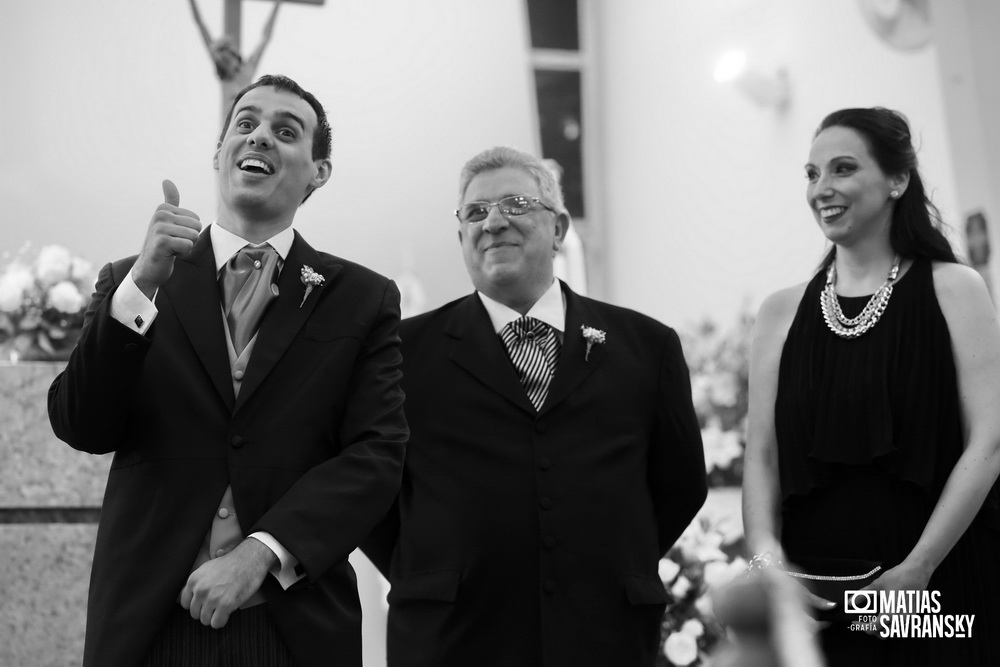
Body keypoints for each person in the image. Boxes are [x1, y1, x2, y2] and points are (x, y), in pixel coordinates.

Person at [48, 74, 407, 666]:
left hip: (293, 628)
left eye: (285, 131)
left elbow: (377, 452)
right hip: (148, 624)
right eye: (246, 123)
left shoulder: (361, 298)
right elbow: (81, 425)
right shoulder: (131, 282)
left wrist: (263, 551)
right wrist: (142, 287)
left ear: (318, 172)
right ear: (220, 154)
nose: (260, 136)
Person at [362, 146, 707, 666]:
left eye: (516, 204)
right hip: (451, 636)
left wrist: (610, 561)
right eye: (475, 213)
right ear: (461, 237)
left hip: (603, 633)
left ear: (560, 227)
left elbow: (680, 484)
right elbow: (371, 491)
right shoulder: (400, 354)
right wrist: (431, 571)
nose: (494, 221)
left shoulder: (645, 346)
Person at [743, 107, 1000, 665]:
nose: (822, 189)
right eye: (812, 174)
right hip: (811, 591)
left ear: (897, 181)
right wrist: (765, 566)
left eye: (841, 169)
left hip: (935, 580)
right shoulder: (780, 312)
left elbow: (989, 443)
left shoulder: (955, 288)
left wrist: (919, 567)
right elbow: (761, 454)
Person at [189, 0, 282, 118]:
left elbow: (265, 37)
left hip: (246, 121)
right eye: (223, 61)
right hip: (229, 125)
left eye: (227, 59)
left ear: (234, 55)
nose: (225, 61)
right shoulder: (226, 78)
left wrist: (277, 5)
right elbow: (200, 24)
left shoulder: (248, 69)